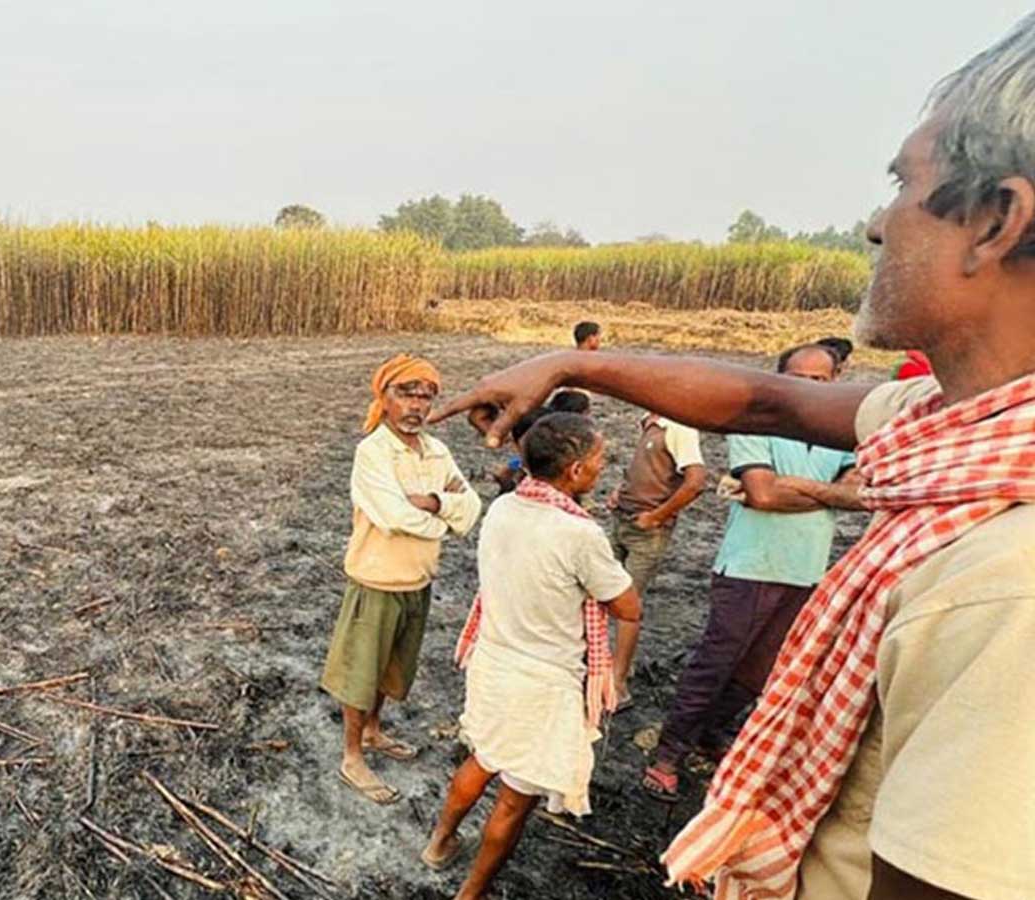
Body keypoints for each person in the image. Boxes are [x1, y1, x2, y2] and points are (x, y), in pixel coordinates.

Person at [430, 16, 1035, 897]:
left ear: (995, 221)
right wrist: (571, 361)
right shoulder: (945, 422)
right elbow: (767, 398)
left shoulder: (1005, 587)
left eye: (903, 183)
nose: (874, 226)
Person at [421, 413, 641, 900]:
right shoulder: (579, 534)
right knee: (515, 799)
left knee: (482, 759)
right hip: (543, 682)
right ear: (577, 471)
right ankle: (472, 892)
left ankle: (439, 843)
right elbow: (628, 606)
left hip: (493, 662)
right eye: (600, 460)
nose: (604, 468)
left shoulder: (503, 509)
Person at [640, 344, 861, 802]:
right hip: (749, 565)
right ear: (779, 378)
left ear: (836, 380)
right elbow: (762, 495)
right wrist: (826, 493)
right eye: (797, 377)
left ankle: (712, 732)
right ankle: (668, 753)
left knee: (763, 666)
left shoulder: (839, 434)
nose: (807, 388)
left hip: (806, 568)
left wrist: (796, 487)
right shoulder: (754, 424)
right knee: (717, 660)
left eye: (820, 381)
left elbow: (858, 492)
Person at [320, 353, 481, 805]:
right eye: (405, 393)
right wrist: (444, 517)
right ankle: (352, 756)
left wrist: (431, 503)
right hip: (376, 580)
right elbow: (391, 516)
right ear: (384, 398)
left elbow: (471, 508)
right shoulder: (372, 451)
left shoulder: (436, 451)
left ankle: (373, 731)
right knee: (361, 673)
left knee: (393, 667)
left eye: (426, 395)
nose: (416, 404)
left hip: (417, 579)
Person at [605, 402, 708, 702]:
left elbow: (696, 482)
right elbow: (648, 471)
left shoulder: (679, 427)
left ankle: (618, 682)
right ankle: (613, 666)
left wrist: (658, 516)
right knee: (604, 595)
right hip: (625, 519)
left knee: (627, 606)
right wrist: (621, 493)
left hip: (647, 530)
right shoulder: (649, 422)